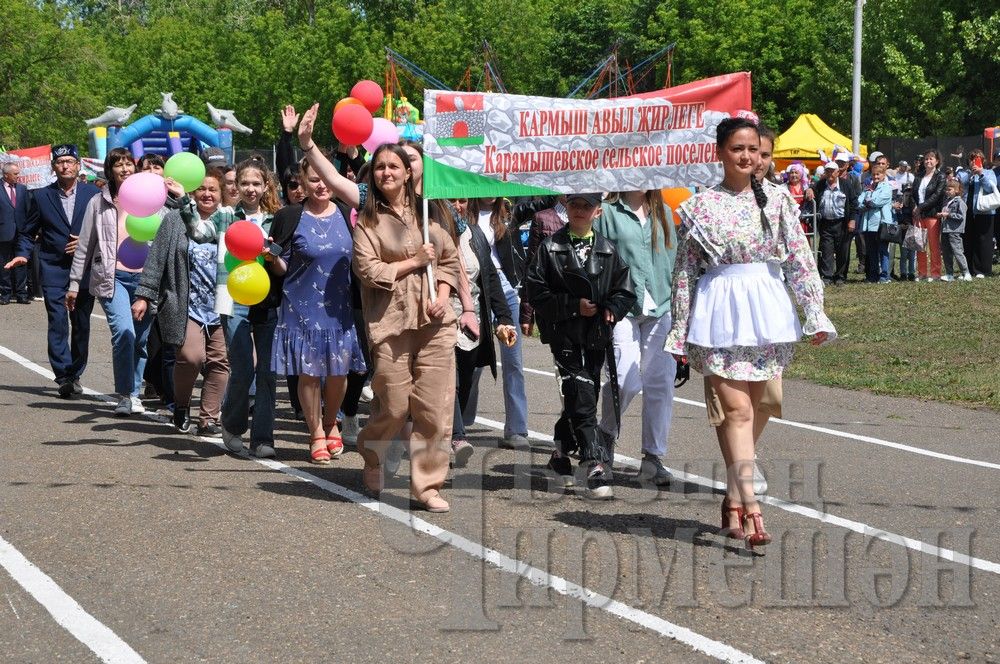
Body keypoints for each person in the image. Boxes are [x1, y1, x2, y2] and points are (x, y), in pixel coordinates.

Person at [664, 117, 837, 549]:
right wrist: (679, 328)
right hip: (719, 312)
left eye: (754, 150)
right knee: (737, 412)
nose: (747, 157)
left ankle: (732, 493)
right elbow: (684, 271)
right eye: (738, 149)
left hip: (766, 310)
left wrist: (814, 313)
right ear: (720, 152)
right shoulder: (699, 206)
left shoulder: (778, 201)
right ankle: (754, 507)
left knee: (760, 405)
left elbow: (800, 259)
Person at [297, 103, 461, 513]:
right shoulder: (367, 217)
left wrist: (442, 295)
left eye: (395, 166)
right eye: (381, 167)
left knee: (435, 406)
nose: (387, 172)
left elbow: (451, 261)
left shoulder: (433, 208)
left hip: (435, 320)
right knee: (394, 402)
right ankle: (373, 452)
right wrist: (306, 142)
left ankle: (426, 486)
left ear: (409, 172)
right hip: (390, 322)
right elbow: (368, 270)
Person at [525, 192, 635, 500]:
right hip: (564, 335)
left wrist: (613, 307)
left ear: (598, 212)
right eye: (574, 204)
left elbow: (625, 290)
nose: (579, 210)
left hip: (596, 335)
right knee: (581, 390)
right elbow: (536, 292)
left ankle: (560, 455)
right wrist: (573, 307)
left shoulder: (609, 250)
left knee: (584, 393)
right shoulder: (549, 248)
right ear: (566, 207)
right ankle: (593, 461)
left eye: (586, 206)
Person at [67, 147, 184, 416]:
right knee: (124, 332)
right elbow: (84, 246)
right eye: (117, 165)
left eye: (128, 164)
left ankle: (134, 391)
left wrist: (178, 196)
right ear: (110, 170)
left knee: (141, 341)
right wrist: (74, 284)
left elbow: (175, 231)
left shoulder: (156, 199)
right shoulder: (98, 203)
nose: (124, 169)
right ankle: (126, 393)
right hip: (112, 278)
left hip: (148, 280)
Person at [269, 154, 367, 464]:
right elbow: (282, 266)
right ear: (302, 181)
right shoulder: (289, 216)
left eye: (325, 179)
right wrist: (271, 258)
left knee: (339, 373)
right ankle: (316, 434)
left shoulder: (348, 213)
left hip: (339, 307)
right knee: (309, 374)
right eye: (313, 179)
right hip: (300, 306)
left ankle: (331, 422)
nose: (321, 185)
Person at [132, 169, 231, 435]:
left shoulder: (230, 221)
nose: (207, 194)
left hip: (221, 304)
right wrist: (144, 294)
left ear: (221, 194)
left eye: (213, 190)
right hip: (184, 303)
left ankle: (209, 418)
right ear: (193, 192)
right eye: (202, 189)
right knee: (190, 357)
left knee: (220, 362)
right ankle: (182, 405)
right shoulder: (176, 220)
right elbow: (157, 260)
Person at [593, 191, 676, 487]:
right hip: (621, 308)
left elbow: (673, 261)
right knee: (625, 379)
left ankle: (653, 458)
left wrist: (678, 309)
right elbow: (597, 260)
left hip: (661, 307)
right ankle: (605, 433)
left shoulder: (664, 213)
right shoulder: (607, 212)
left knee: (660, 382)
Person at [5, 145, 100, 396]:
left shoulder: (93, 194)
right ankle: (63, 376)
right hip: (53, 267)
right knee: (57, 321)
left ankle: (76, 371)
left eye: (70, 161)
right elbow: (27, 231)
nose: (65, 166)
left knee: (81, 324)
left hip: (85, 270)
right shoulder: (41, 196)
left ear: (78, 165)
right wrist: (22, 254)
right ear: (53, 167)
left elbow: (107, 230)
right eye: (60, 162)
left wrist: (86, 242)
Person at [218, 156, 282, 457]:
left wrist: (273, 255)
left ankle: (263, 438)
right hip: (233, 301)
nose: (251, 189)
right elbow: (197, 227)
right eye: (244, 183)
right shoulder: (225, 217)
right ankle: (231, 427)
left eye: (257, 183)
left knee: (268, 372)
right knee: (243, 368)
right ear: (235, 186)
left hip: (267, 302)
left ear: (266, 185)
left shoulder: (276, 219)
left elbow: (284, 261)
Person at [445, 197, 517, 466]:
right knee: (447, 380)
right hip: (440, 320)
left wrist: (504, 318)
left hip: (472, 322)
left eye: (461, 200)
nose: (457, 206)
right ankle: (457, 436)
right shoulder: (429, 232)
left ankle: (451, 433)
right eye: (450, 200)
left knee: (465, 380)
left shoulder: (473, 234)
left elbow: (489, 278)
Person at [468, 197, 530, 448]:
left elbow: (544, 199)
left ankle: (517, 428)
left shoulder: (508, 213)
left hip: (505, 290)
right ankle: (461, 419)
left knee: (513, 361)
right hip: (475, 288)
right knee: (473, 360)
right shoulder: (463, 211)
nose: (490, 189)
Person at [812, 161, 858, 285]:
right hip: (826, 223)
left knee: (843, 251)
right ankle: (827, 277)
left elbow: (854, 203)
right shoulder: (820, 184)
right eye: (827, 171)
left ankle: (840, 276)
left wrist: (852, 220)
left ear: (838, 172)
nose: (830, 173)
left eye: (832, 171)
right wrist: (809, 190)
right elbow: (812, 188)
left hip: (842, 223)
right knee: (826, 250)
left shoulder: (846, 185)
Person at [957, 149, 998, 278]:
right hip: (967, 212)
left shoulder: (989, 172)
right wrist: (971, 175)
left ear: (983, 160)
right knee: (967, 240)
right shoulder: (963, 174)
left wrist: (981, 174)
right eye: (972, 159)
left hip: (985, 211)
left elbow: (989, 188)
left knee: (983, 240)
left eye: (978, 159)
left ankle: (982, 270)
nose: (974, 161)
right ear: (968, 161)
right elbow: (960, 187)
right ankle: (968, 268)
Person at [912, 149, 946, 281]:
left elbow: (937, 196)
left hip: (932, 215)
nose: (928, 161)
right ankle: (922, 273)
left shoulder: (940, 177)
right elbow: (913, 195)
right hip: (918, 215)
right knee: (920, 245)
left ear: (937, 161)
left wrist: (920, 207)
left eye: (931, 158)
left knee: (934, 245)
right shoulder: (918, 176)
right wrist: (914, 206)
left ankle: (936, 273)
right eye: (926, 158)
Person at [1, 161, 30, 304]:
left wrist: (30, 230)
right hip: (3, 232)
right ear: (6, 175)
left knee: (21, 263)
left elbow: (28, 210)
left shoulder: (22, 189)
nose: (19, 176)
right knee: (4, 263)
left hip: (21, 232)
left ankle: (21, 294)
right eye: (16, 174)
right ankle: (5, 294)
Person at [856, 169, 894, 283]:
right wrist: (868, 203)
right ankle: (873, 275)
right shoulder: (868, 187)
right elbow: (859, 202)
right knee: (871, 251)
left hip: (881, 224)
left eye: (878, 174)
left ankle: (884, 275)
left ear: (883, 175)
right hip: (868, 224)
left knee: (883, 250)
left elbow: (878, 201)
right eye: (874, 174)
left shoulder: (887, 187)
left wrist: (867, 203)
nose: (876, 176)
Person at [937, 178, 971, 282]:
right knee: (946, 253)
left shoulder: (960, 202)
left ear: (957, 190)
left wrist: (948, 214)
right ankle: (949, 274)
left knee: (958, 252)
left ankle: (966, 272)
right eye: (947, 189)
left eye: (950, 189)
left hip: (955, 231)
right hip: (945, 230)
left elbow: (961, 216)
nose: (947, 191)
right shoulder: (947, 201)